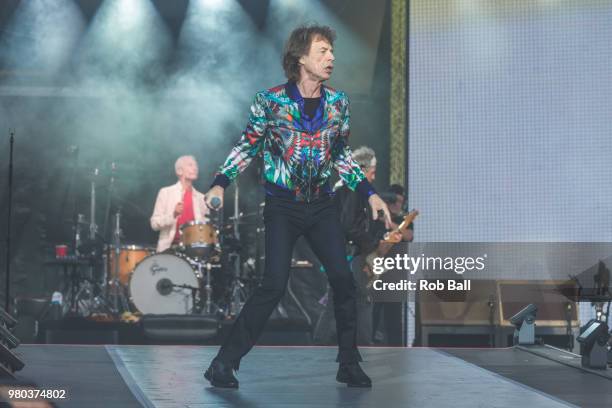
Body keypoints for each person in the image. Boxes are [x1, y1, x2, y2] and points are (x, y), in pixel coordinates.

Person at [203, 24, 391, 389]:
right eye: (322, 51)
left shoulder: (338, 103)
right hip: (283, 206)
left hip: (321, 206)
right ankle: (224, 363)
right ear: (300, 57)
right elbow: (248, 145)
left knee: (343, 279)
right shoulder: (270, 101)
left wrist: (369, 192)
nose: (331, 57)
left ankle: (348, 363)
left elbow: (340, 156)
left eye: (332, 51)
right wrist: (219, 183)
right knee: (273, 284)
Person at [315, 146, 401, 346]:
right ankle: (364, 345)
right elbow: (350, 227)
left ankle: (320, 344)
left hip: (338, 254)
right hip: (350, 255)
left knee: (335, 300)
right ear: (361, 170)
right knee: (362, 300)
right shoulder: (352, 188)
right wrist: (373, 244)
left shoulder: (341, 187)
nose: (373, 177)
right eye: (372, 172)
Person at [150, 155, 209, 252]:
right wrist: (173, 214)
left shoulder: (201, 198)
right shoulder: (166, 192)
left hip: (194, 251)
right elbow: (154, 223)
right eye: (190, 165)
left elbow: (205, 227)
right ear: (179, 171)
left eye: (196, 166)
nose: (195, 168)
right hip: (169, 249)